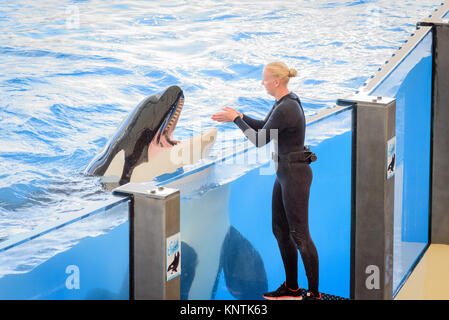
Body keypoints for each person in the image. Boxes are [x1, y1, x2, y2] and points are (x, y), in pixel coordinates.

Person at [211, 62, 321, 300]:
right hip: (285, 173)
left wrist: (235, 121)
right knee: (280, 230)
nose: (262, 83)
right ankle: (292, 288)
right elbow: (264, 127)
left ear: (276, 82)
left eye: (264, 79)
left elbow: (260, 140)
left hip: (295, 174)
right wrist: (240, 115)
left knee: (300, 235)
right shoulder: (282, 103)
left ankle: (313, 294)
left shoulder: (287, 106)